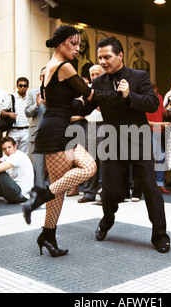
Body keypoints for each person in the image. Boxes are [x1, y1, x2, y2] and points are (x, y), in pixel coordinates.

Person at [22, 25, 111, 257]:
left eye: (79, 44)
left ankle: (47, 236)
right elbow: (89, 94)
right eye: (75, 43)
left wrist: (89, 101)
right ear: (62, 43)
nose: (78, 48)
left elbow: (75, 105)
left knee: (59, 191)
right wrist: (114, 93)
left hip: (54, 129)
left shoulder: (50, 69)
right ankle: (41, 194)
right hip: (56, 132)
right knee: (89, 166)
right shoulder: (63, 66)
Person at [84, 37, 171, 253]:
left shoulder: (139, 76)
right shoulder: (98, 82)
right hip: (112, 140)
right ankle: (107, 220)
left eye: (107, 57)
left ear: (120, 55)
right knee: (111, 189)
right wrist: (67, 104)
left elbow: (152, 104)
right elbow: (86, 107)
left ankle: (160, 235)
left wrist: (129, 95)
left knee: (150, 187)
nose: (103, 61)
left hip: (138, 138)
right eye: (100, 57)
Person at [78, 64, 106, 203]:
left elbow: (106, 108)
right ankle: (89, 193)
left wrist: (93, 103)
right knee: (90, 160)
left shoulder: (107, 87)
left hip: (104, 125)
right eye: (92, 74)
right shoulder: (86, 89)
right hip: (89, 125)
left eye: (97, 74)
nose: (95, 77)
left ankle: (105, 194)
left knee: (104, 160)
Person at [146, 83, 171, 194]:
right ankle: (151, 185)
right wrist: (161, 123)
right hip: (149, 132)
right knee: (152, 159)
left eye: (155, 88)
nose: (154, 91)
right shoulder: (144, 100)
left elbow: (162, 112)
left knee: (161, 158)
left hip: (159, 131)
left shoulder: (159, 98)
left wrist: (169, 110)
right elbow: (144, 122)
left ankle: (159, 184)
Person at [25, 67, 47, 188]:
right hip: (37, 133)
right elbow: (27, 112)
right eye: (43, 75)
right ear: (40, 78)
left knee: (52, 165)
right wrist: (36, 105)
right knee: (37, 165)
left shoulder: (56, 92)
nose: (45, 78)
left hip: (53, 134)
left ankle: (52, 190)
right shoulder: (33, 93)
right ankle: (39, 189)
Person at [1, 77, 31, 154]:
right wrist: (9, 114)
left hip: (25, 130)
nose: (22, 88)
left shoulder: (29, 99)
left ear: (27, 87)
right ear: (17, 86)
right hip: (13, 130)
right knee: (10, 154)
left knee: (24, 155)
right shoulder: (11, 97)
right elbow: (1, 111)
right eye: (20, 86)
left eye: (24, 86)